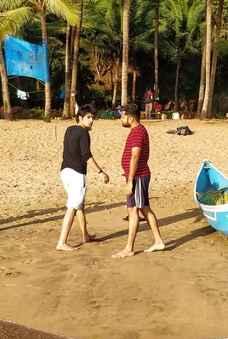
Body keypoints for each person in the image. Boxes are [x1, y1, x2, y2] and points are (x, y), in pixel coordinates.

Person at [113, 103, 166, 258]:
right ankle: (158, 241)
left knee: (135, 210)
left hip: (138, 176)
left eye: (122, 116)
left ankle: (129, 248)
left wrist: (130, 180)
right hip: (137, 176)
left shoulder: (137, 132)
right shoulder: (137, 131)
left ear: (130, 117)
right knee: (142, 209)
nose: (121, 119)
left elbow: (135, 156)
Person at [56, 105, 109, 251]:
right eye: (88, 117)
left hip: (65, 171)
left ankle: (85, 235)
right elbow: (86, 155)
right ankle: (62, 242)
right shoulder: (83, 133)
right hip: (76, 173)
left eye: (93, 118)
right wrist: (100, 172)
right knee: (73, 206)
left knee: (79, 204)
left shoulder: (69, 129)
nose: (91, 120)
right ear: (80, 118)